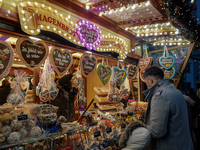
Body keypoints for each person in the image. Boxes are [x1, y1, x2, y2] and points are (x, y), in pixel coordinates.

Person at [143, 66, 193, 150]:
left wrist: (140, 126)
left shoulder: (160, 96)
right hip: (183, 144)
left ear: (150, 80)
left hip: (170, 146)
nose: (147, 86)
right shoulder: (175, 90)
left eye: (146, 83)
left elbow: (157, 131)